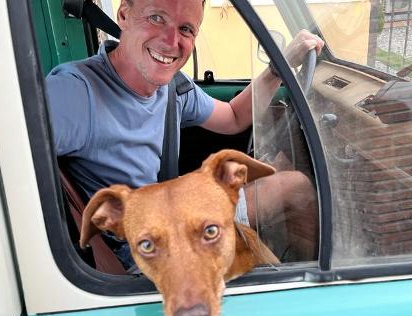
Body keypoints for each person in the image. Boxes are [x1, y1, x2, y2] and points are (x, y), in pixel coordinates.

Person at [46, 0, 324, 268]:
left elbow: (234, 117)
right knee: (294, 185)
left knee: (276, 167)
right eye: (156, 18)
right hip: (152, 253)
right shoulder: (74, 93)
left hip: (174, 213)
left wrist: (278, 68)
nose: (171, 41)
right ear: (123, 15)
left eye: (185, 29)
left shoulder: (173, 89)